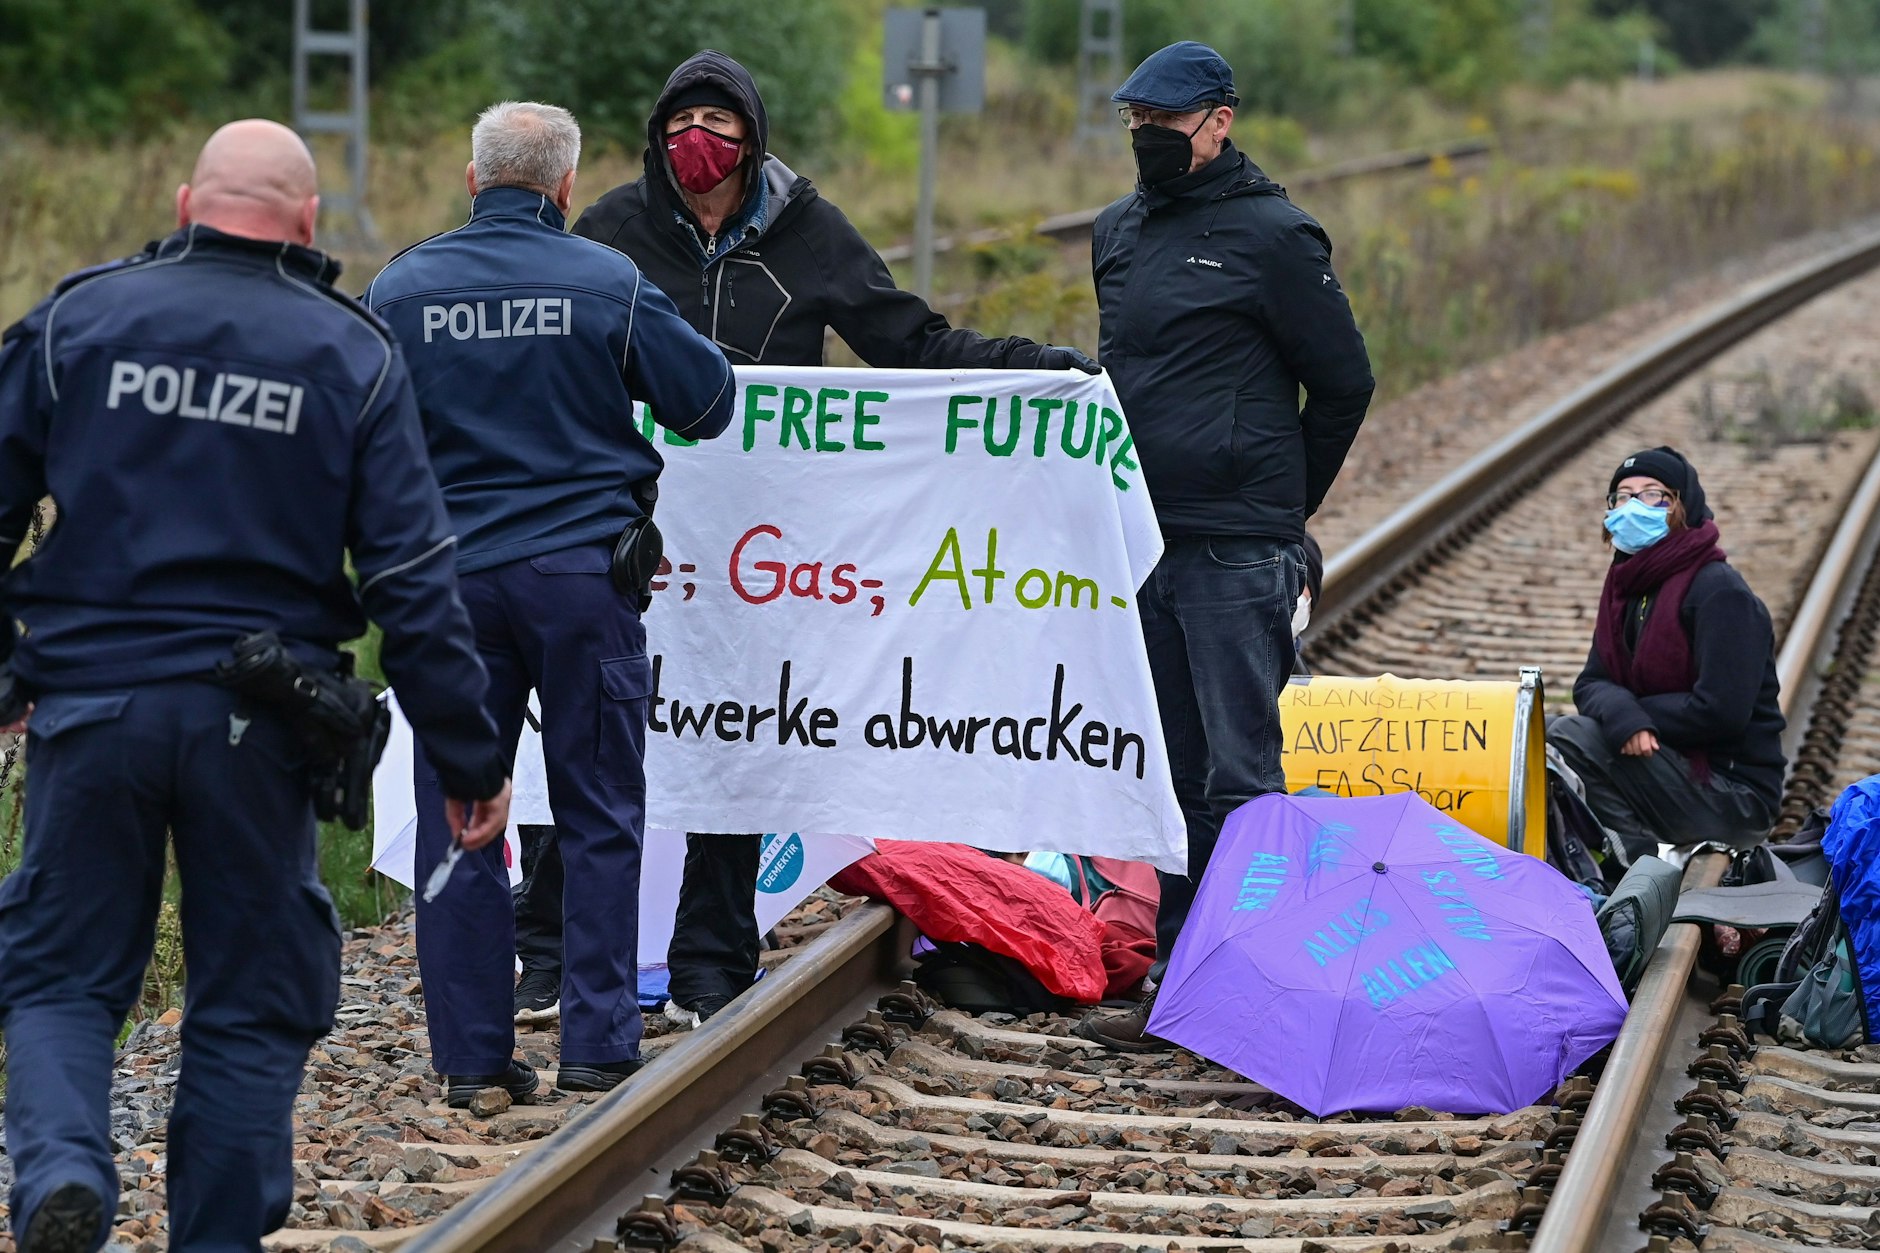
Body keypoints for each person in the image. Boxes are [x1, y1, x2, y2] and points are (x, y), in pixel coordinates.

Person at [494, 48, 1098, 1031]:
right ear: (655, 139)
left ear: (752, 140)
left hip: (761, 548)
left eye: (719, 127)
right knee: (585, 732)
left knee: (739, 737)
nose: (698, 144)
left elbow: (910, 340)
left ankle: (710, 959)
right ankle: (548, 949)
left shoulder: (808, 230)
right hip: (620, 533)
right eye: (681, 124)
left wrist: (1031, 370)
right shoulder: (605, 231)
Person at [0, 120, 512, 1253]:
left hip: (92, 705)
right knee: (249, 999)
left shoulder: (76, 320)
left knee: (61, 976)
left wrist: (8, 673)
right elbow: (416, 584)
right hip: (260, 723)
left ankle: (60, 1175)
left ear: (187, 203)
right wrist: (469, 759)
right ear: (308, 223)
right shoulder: (352, 354)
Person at [366, 101, 734, 1099]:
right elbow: (707, 400)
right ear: (566, 187)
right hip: (579, 583)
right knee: (599, 806)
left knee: (458, 811)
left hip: (446, 592)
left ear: (471, 178)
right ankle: (595, 1043)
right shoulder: (606, 282)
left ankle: (472, 1061)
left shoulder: (400, 289)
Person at [1076, 42, 1375, 1051]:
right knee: (1165, 771)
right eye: (1135, 124)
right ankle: (1176, 971)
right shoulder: (1116, 232)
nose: (1146, 140)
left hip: (1234, 547)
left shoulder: (1277, 236)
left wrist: (1277, 506)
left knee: (1241, 774)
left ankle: (1254, 983)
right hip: (1142, 541)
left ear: (1218, 121)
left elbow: (1343, 383)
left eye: (1163, 124)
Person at [1549, 447, 1784, 858]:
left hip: (1734, 797)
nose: (1632, 506)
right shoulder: (1627, 585)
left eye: (1652, 494)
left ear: (1682, 505)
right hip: (1672, 772)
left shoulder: (1719, 592)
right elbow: (1592, 681)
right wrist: (1625, 716)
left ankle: (1634, 865)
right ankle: (1635, 854)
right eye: (1622, 496)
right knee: (1545, 733)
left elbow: (1721, 711)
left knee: (1570, 736)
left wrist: (1635, 717)